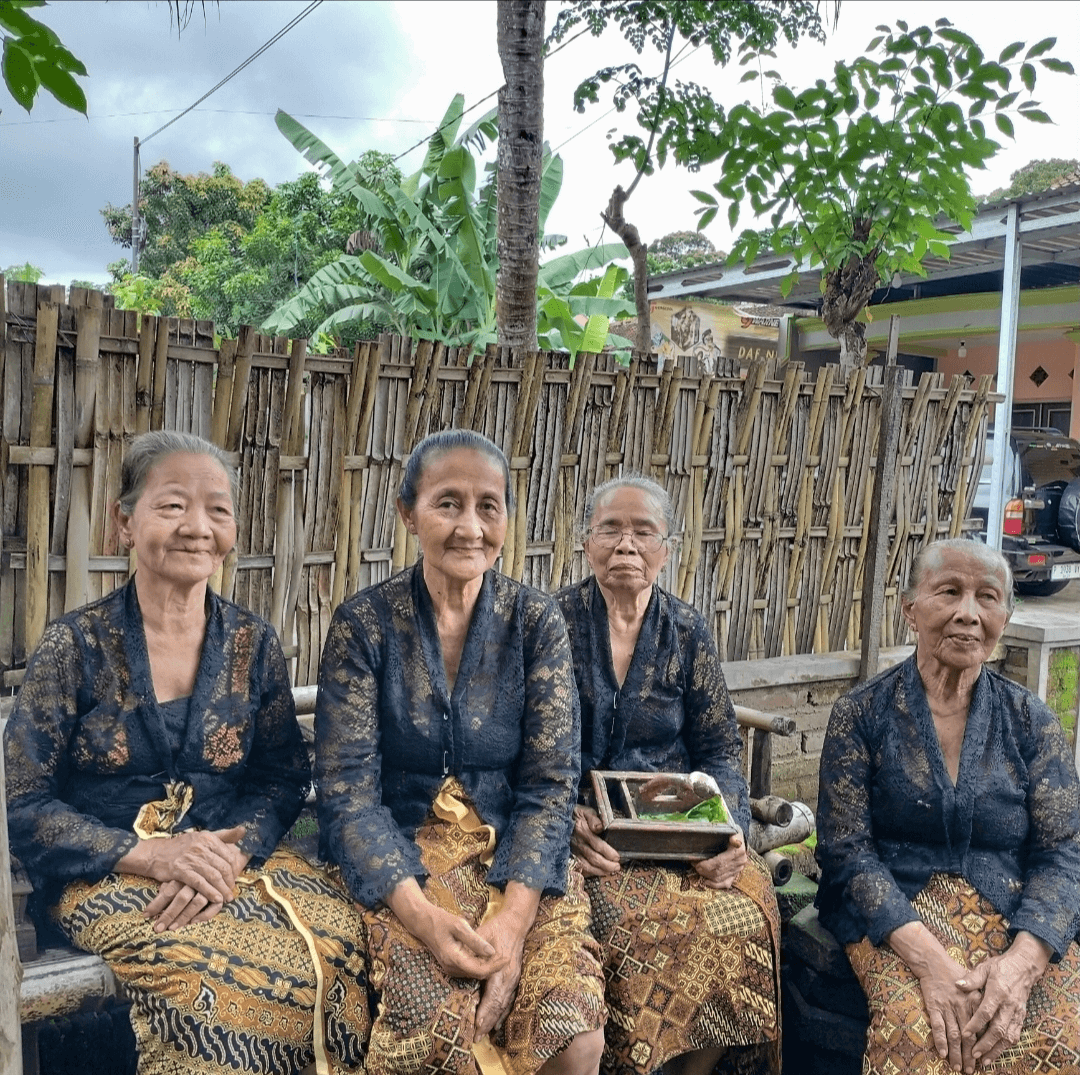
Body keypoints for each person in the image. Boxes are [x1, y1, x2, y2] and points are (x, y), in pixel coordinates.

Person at [4, 430, 370, 1075]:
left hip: (236, 868)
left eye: (217, 509)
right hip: (108, 874)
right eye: (172, 506)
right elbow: (23, 802)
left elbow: (282, 776)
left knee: (349, 947)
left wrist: (231, 851)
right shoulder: (74, 647)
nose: (197, 527)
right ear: (125, 521)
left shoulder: (252, 643)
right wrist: (149, 854)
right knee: (214, 984)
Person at [314, 429, 607, 1075]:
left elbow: (551, 782)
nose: (470, 526)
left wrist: (512, 920)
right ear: (407, 511)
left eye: (488, 505)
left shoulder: (535, 621)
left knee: (572, 1028)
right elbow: (347, 794)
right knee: (444, 1022)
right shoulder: (365, 625)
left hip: (515, 854)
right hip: (401, 860)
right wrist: (421, 917)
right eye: (448, 503)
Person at [816, 538, 1080, 1075]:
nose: (968, 613)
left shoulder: (1031, 722)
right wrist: (930, 963)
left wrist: (1021, 965)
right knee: (924, 1041)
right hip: (895, 915)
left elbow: (1062, 853)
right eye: (949, 592)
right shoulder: (861, 715)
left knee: (1056, 1039)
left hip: (1011, 914)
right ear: (911, 609)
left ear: (1005, 614)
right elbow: (846, 852)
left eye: (987, 597)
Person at [555, 475, 781, 1075]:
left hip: (677, 831)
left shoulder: (687, 630)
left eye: (643, 532)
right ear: (586, 542)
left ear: (667, 549)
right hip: (589, 840)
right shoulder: (549, 624)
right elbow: (525, 749)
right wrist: (560, 821)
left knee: (740, 915)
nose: (625, 544)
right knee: (627, 930)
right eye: (611, 529)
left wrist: (728, 835)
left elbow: (719, 749)